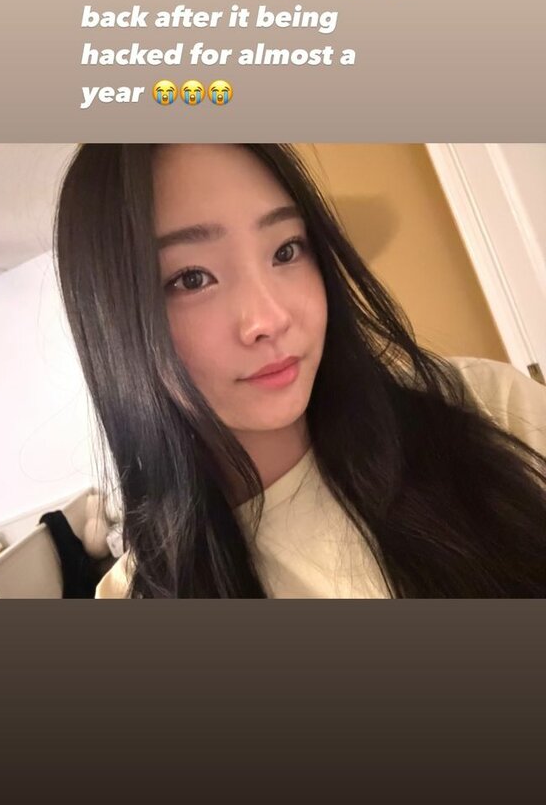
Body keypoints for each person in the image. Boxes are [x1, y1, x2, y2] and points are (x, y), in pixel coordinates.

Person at [54, 144, 546, 598]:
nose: (269, 319)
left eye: (285, 250)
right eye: (192, 278)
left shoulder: (488, 408)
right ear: (114, 324)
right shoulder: (137, 596)